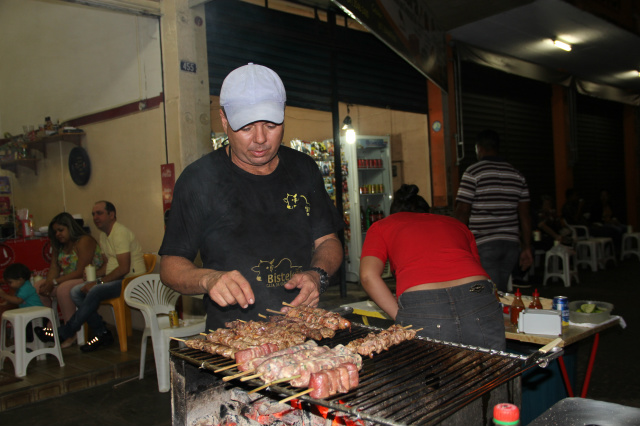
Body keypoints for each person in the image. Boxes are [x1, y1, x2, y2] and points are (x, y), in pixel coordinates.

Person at [159, 63, 344, 330]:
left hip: (303, 329)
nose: (260, 139)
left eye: (271, 125)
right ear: (224, 121)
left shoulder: (304, 169)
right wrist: (208, 279)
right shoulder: (199, 180)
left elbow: (328, 240)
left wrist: (317, 275)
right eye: (246, 127)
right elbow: (171, 266)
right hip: (235, 338)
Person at [359, 184, 505, 350]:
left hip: (423, 305)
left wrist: (401, 317)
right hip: (478, 297)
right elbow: (473, 271)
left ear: (395, 212)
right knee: (491, 371)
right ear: (427, 211)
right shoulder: (456, 224)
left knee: (433, 374)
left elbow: (368, 276)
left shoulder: (382, 226)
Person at [35, 201, 146, 352]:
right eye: (93, 214)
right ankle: (102, 332)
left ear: (111, 215)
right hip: (116, 277)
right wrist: (94, 276)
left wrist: (98, 282)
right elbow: (109, 265)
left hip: (131, 279)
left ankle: (66, 331)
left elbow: (124, 268)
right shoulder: (104, 235)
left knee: (94, 290)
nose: (95, 217)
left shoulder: (120, 233)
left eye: (99, 213)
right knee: (76, 291)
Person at [454, 129, 533, 293]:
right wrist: (527, 247)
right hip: (511, 244)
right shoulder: (517, 175)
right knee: (499, 289)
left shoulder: (473, 172)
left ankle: (496, 317)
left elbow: (463, 211)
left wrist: (456, 242)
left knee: (488, 293)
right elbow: (525, 215)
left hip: (484, 243)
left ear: (478, 148)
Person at [34, 212, 105, 333]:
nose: (58, 234)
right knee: (39, 286)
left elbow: (80, 271)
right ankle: (50, 323)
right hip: (68, 278)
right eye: (55, 232)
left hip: (89, 277)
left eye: (61, 230)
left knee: (63, 289)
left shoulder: (84, 240)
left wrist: (55, 282)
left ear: (70, 228)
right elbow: (54, 268)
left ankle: (70, 331)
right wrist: (49, 282)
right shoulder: (59, 245)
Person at [0, 263, 44, 342]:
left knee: (31, 334)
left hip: (37, 315)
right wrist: (4, 303)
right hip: (29, 315)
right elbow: (12, 299)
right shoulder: (20, 287)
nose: (9, 285)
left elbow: (18, 300)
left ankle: (32, 346)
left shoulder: (26, 287)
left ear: (20, 280)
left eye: (10, 282)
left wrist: (4, 295)